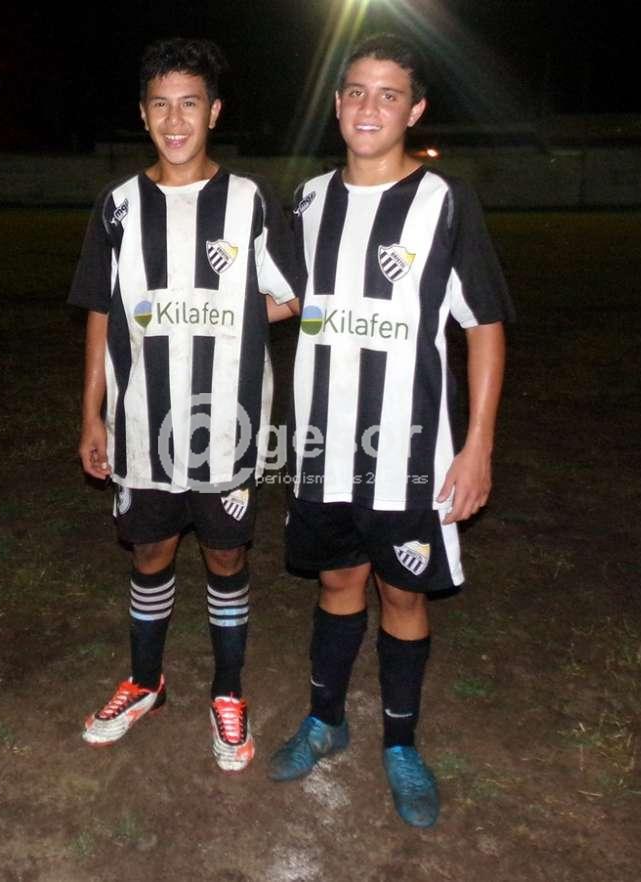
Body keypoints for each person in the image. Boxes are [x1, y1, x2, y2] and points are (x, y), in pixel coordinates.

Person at [268, 34, 515, 825]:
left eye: (388, 94)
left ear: (414, 109)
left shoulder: (445, 201)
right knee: (337, 583)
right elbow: (284, 299)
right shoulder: (308, 200)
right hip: (321, 446)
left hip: (411, 449)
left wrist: (477, 446)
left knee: (403, 591)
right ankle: (325, 721)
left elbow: (483, 325)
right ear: (337, 103)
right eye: (355, 91)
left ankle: (401, 745)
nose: (368, 107)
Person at [68, 37, 297, 772]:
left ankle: (228, 692)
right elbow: (100, 313)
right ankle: (146, 682)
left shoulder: (251, 201)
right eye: (161, 105)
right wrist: (91, 414)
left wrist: (231, 315)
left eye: (189, 104)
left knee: (227, 554)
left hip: (229, 425)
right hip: (140, 424)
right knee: (150, 551)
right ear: (143, 114)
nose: (175, 120)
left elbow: (289, 295)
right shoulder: (117, 207)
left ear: (214, 112)